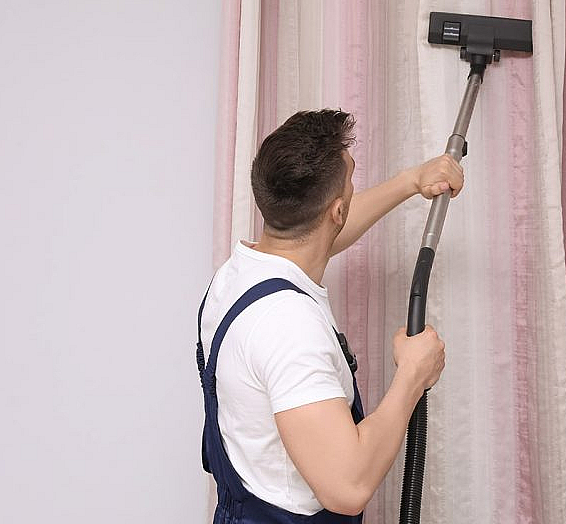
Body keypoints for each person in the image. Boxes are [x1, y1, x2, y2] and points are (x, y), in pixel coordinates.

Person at [195, 109, 463, 522]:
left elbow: (322, 232)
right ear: (336, 210)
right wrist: (413, 374)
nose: (353, 189)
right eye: (351, 179)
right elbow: (347, 487)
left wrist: (411, 181)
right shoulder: (288, 328)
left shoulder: (237, 277)